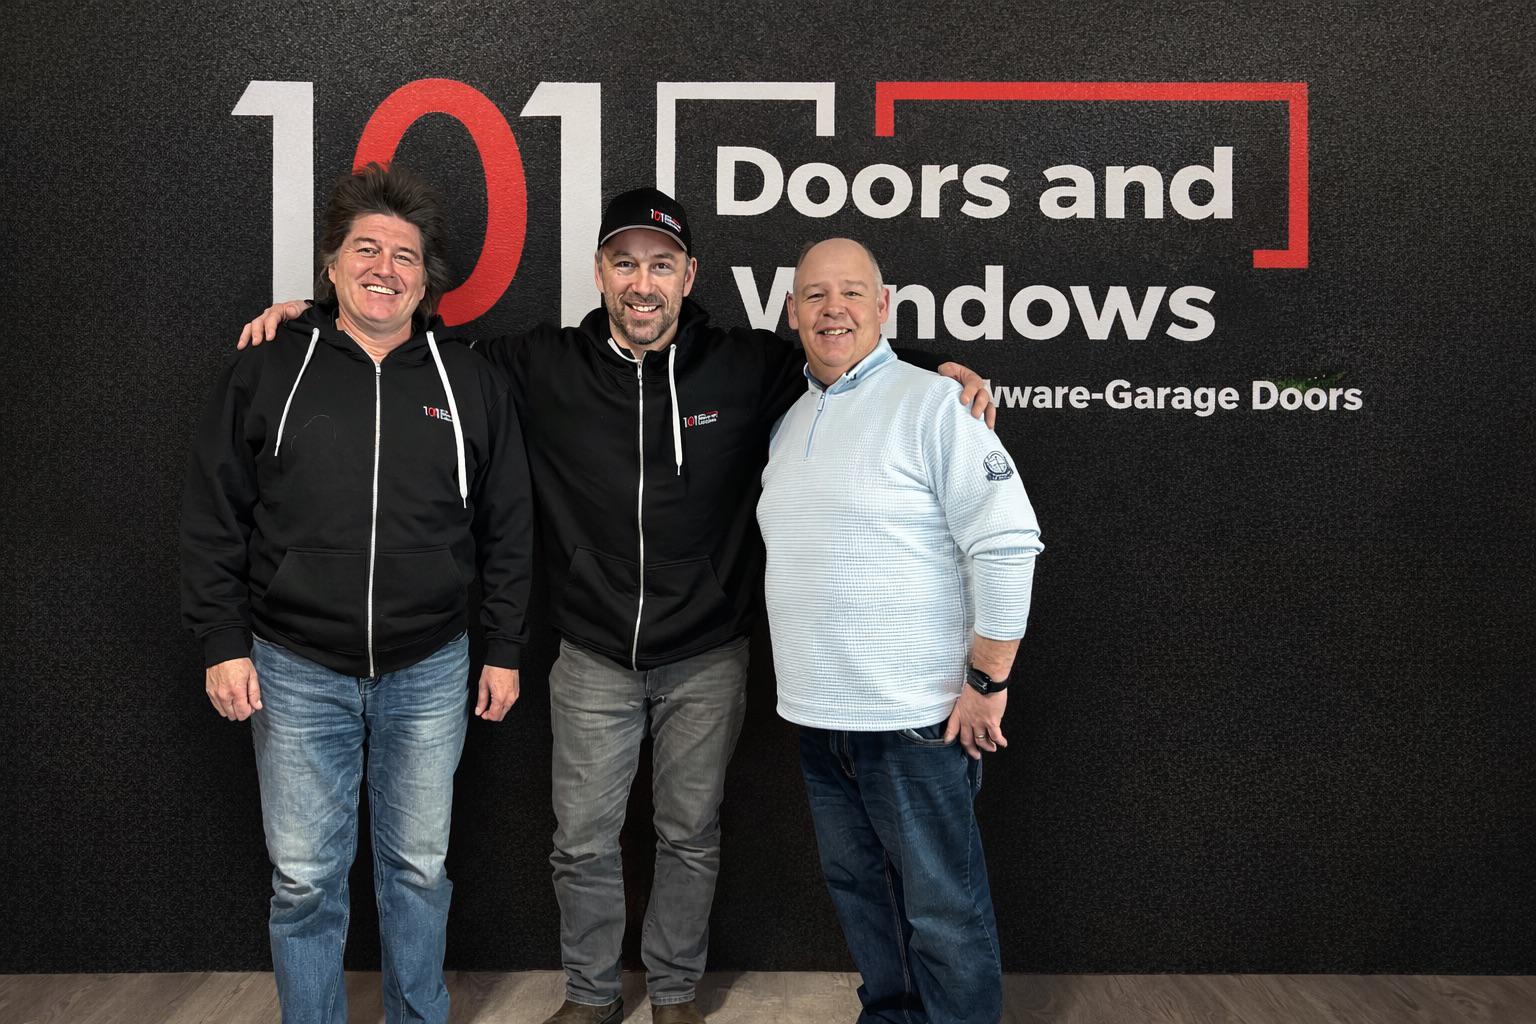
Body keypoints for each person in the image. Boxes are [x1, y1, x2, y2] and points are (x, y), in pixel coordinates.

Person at [238, 189, 994, 1024]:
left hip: (707, 653)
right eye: (625, 264)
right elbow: (411, 345)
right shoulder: (542, 363)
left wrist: (936, 365)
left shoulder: (743, 365)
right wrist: (314, 319)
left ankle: (673, 994)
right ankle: (592, 995)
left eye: (661, 266)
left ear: (688, 276)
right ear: (599, 272)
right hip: (592, 653)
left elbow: (841, 352)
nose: (643, 283)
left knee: (690, 836)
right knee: (581, 841)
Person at [182, 163, 532, 1024]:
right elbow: (213, 514)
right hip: (294, 666)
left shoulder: (470, 381)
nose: (385, 268)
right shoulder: (269, 369)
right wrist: (222, 641)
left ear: (427, 277)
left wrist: (505, 648)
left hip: (431, 666)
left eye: (404, 255)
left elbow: (509, 526)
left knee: (419, 870)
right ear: (331, 264)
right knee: (305, 880)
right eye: (365, 249)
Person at [757, 238, 1043, 1024]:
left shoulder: (934, 404)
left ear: (883, 307)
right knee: (863, 899)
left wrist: (988, 680)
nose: (834, 309)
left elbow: (1007, 541)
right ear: (792, 312)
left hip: (917, 722)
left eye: (852, 292)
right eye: (815, 295)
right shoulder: (788, 421)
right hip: (821, 722)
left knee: (943, 912)